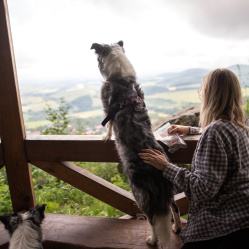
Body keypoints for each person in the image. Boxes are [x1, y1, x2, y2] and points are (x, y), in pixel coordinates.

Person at [138, 68, 249, 249]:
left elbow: (202, 190)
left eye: (202, 91)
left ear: (210, 95)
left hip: (225, 224)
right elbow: (220, 132)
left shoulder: (215, 132)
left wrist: (166, 167)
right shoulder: (242, 123)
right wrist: (191, 130)